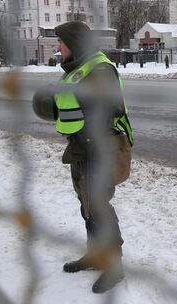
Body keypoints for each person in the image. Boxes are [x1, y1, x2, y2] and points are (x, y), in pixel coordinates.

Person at [32, 21, 133, 294]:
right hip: (81, 147)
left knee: (99, 205)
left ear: (74, 43)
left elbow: (112, 106)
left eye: (61, 43)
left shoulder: (99, 68)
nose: (57, 48)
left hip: (102, 146)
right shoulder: (78, 68)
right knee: (87, 203)